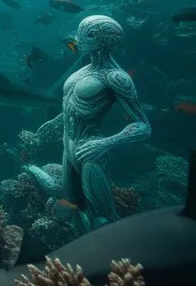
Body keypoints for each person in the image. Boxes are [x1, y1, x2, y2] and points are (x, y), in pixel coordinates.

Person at [24, 14, 150, 230]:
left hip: (92, 150)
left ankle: (118, 258)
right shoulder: (80, 72)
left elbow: (144, 127)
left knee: (104, 217)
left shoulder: (116, 77)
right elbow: (68, 111)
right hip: (69, 149)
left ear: (104, 40)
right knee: (76, 210)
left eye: (88, 34)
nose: (77, 38)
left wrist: (104, 144)